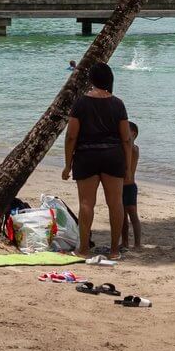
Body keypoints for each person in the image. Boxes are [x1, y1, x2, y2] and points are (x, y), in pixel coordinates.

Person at [62, 62, 132, 259]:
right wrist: (127, 167)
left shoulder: (81, 103)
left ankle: (84, 249)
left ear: (91, 80)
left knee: (86, 203)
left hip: (87, 156)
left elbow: (71, 136)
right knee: (115, 203)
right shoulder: (118, 104)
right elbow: (126, 138)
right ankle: (114, 250)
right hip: (113, 156)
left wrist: (67, 164)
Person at [120, 121, 142, 250]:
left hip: (129, 187)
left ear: (133, 134)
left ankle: (137, 243)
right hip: (119, 187)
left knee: (133, 215)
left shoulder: (134, 149)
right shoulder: (123, 147)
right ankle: (125, 242)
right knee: (122, 217)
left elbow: (130, 146)